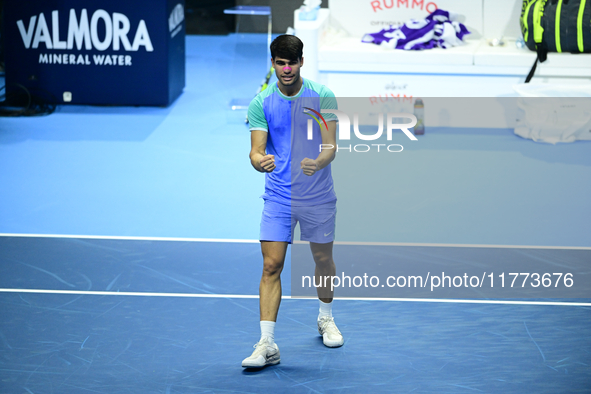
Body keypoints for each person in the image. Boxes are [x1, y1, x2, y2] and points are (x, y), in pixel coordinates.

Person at [242, 35, 344, 368]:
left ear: (301, 62)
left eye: (292, 62)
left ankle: (325, 317)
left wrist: (318, 162)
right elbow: (256, 151)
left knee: (322, 259)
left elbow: (330, 145)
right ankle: (267, 343)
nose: (286, 69)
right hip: (278, 197)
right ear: (273, 63)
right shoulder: (261, 102)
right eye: (280, 63)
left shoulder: (322, 96)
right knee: (271, 266)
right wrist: (260, 162)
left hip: (317, 196)